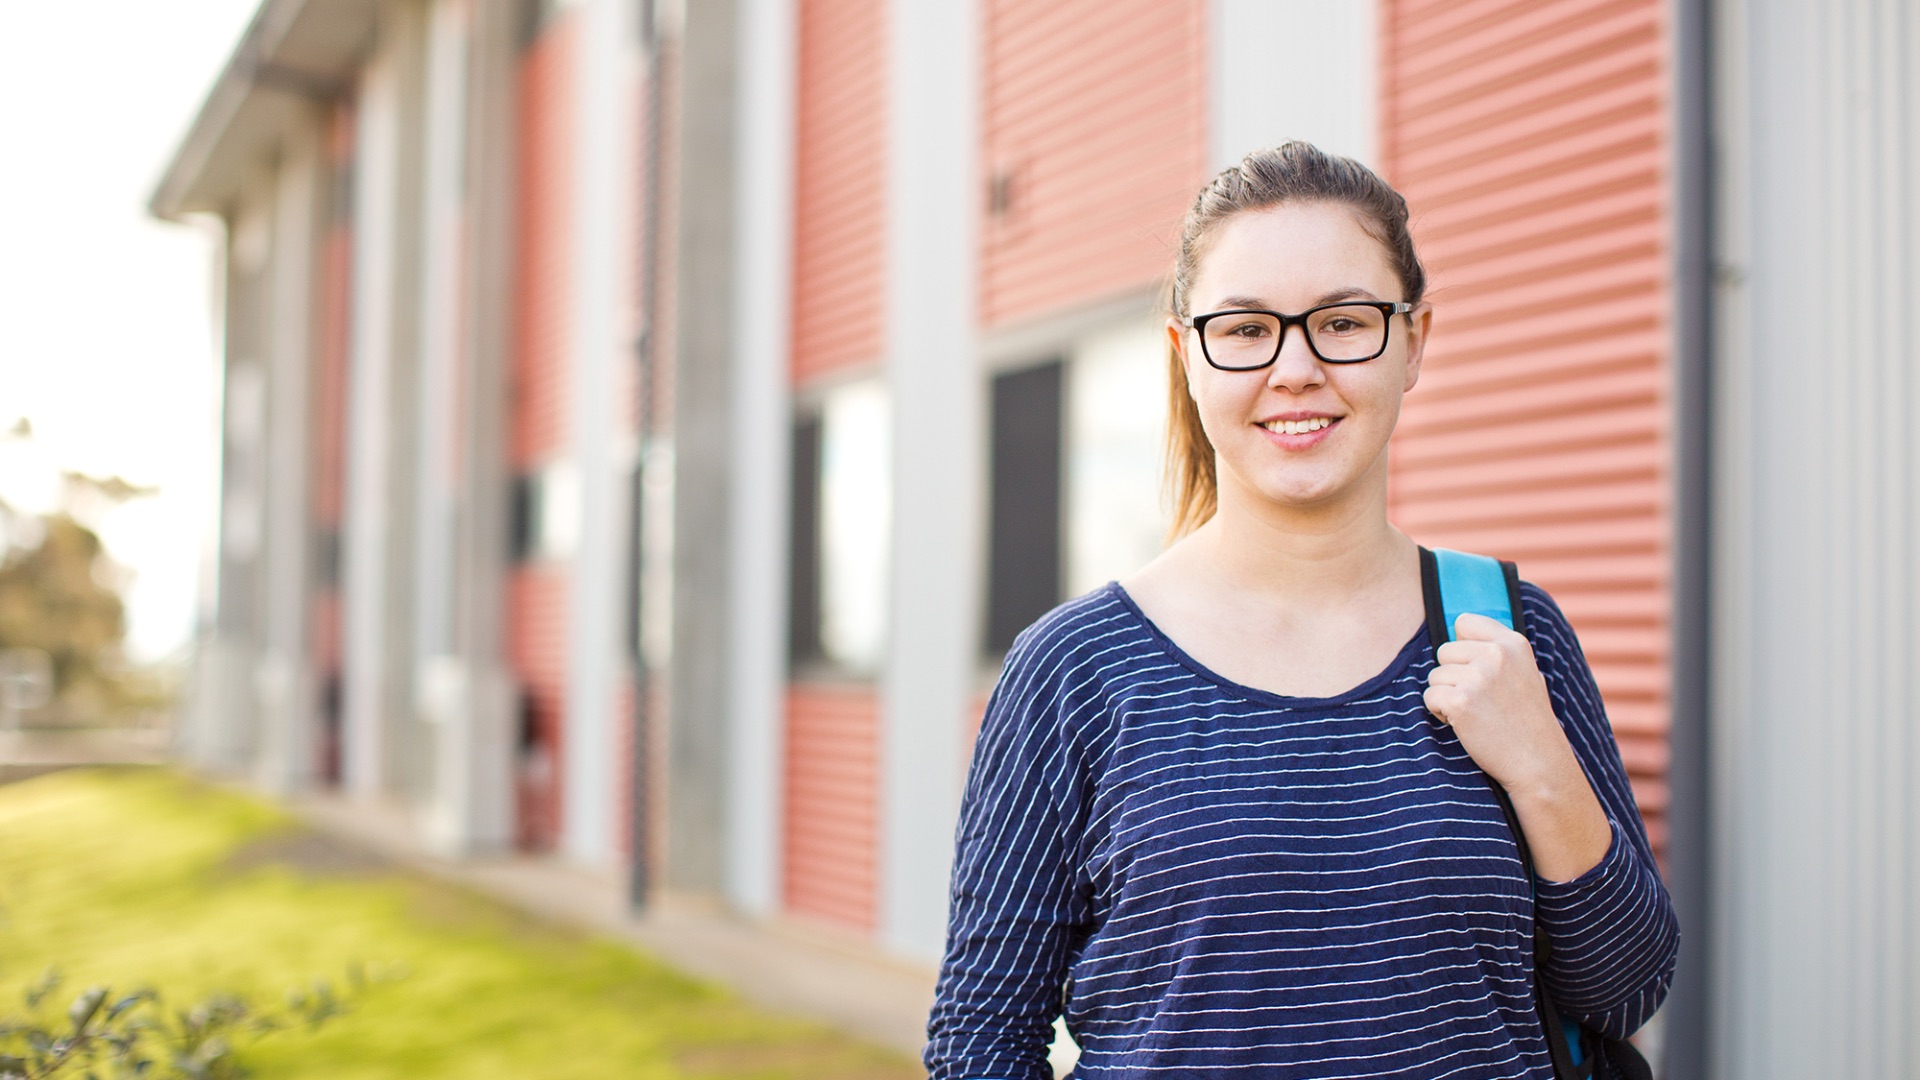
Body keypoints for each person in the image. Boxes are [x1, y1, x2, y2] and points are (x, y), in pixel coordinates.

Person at [923, 142, 1679, 1079]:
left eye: (1344, 321)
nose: (1295, 368)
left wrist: (1542, 770)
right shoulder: (1075, 670)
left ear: (1414, 342)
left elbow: (1627, 988)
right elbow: (982, 1039)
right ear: (1186, 355)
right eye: (1244, 329)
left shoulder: (1507, 631)